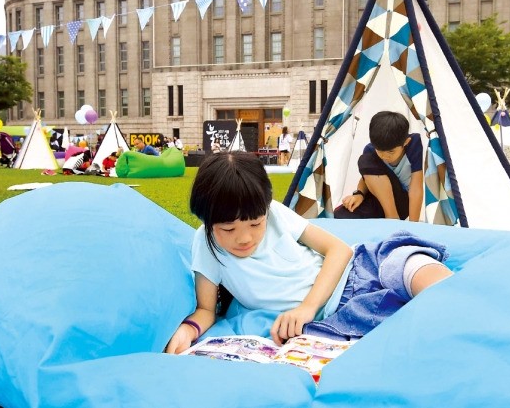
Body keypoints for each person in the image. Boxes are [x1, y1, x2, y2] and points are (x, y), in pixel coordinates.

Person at [165, 151, 452, 354]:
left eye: (255, 224)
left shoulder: (274, 212)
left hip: (352, 271)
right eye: (228, 229)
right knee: (388, 320)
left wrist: (306, 307)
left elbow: (338, 250)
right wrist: (188, 329)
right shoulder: (206, 245)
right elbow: (205, 309)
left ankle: (459, 297)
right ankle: (445, 314)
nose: (244, 237)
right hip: (337, 312)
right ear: (206, 220)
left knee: (400, 259)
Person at [335, 111, 423, 221]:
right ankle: (387, 219)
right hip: (381, 200)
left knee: (366, 160)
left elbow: (416, 189)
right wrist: (359, 194)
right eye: (380, 151)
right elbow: (368, 177)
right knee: (340, 216)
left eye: (391, 152)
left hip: (402, 203)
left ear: (405, 142)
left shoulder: (413, 144)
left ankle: (392, 219)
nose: (384, 156)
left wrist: (413, 224)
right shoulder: (370, 149)